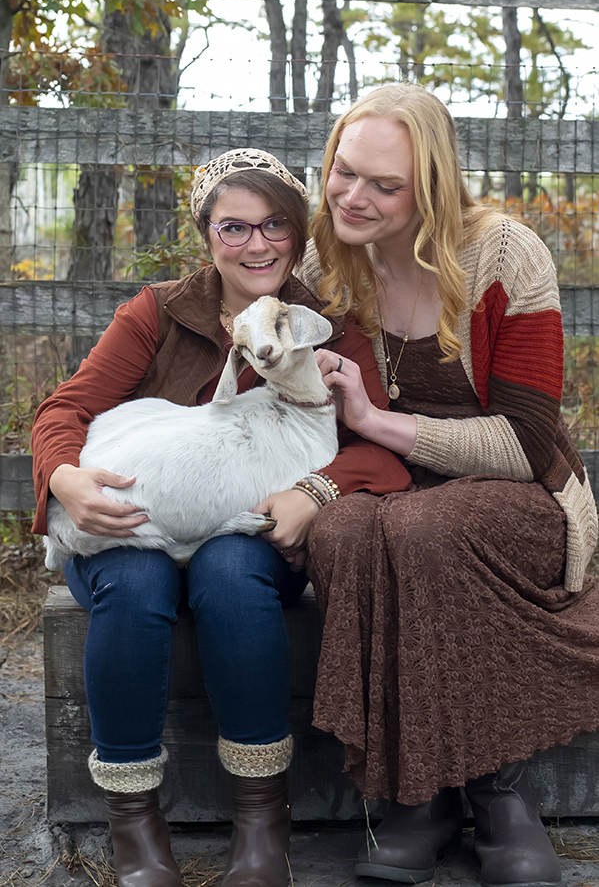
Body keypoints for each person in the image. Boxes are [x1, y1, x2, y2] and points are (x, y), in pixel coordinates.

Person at [30, 148, 411, 887]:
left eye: (274, 226)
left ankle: (260, 824)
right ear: (205, 234)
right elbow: (65, 409)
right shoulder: (159, 311)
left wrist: (317, 491)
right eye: (233, 228)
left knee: (232, 572)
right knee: (135, 583)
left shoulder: (323, 326)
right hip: (130, 524)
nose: (256, 244)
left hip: (243, 528)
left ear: (299, 235)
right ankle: (134, 824)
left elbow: (384, 452)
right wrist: (66, 479)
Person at [294, 82, 599, 887]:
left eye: (383, 185)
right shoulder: (325, 254)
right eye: (343, 172)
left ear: (427, 187)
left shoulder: (502, 253)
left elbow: (529, 439)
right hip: (380, 485)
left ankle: (495, 793)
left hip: (519, 490)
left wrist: (375, 417)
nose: (353, 197)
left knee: (424, 529)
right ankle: (416, 796)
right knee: (343, 532)